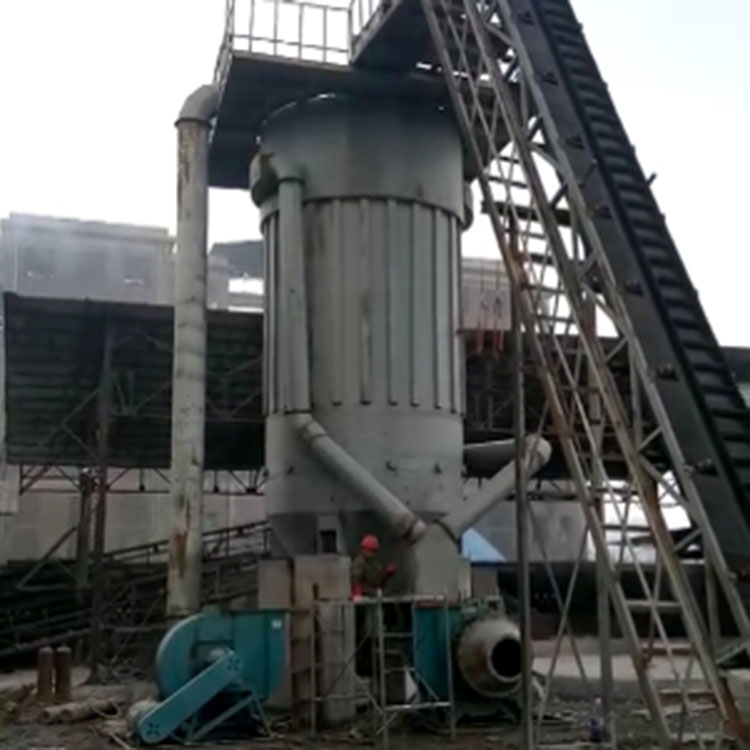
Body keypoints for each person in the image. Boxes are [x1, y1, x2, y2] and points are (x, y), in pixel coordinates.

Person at [350, 534, 396, 599]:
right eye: (369, 550)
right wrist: (358, 593)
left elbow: (377, 581)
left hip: (374, 594)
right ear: (363, 549)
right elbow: (355, 580)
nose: (371, 553)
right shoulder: (359, 563)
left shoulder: (375, 563)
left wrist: (386, 574)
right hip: (364, 595)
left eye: (373, 551)